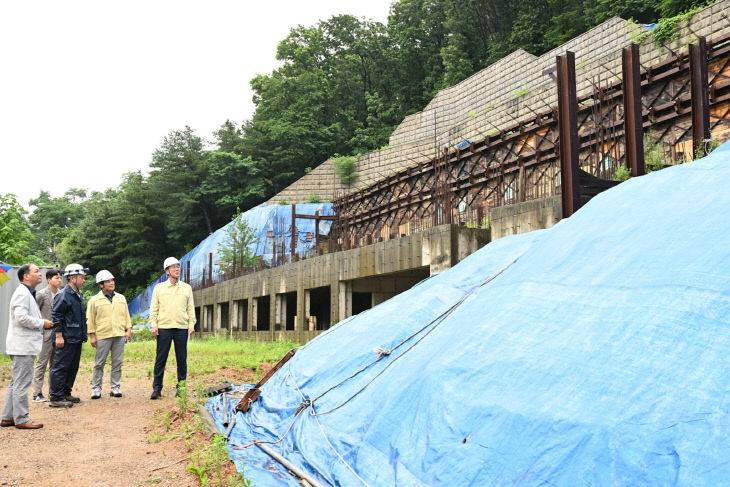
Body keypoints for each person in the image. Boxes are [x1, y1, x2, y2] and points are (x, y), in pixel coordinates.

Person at [1, 264, 54, 429]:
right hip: (22, 346)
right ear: (25, 276)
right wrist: (42, 323)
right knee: (21, 383)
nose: (40, 274)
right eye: (36, 271)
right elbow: (21, 318)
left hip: (23, 345)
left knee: (16, 382)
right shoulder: (22, 294)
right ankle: (22, 419)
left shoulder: (28, 293)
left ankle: (8, 417)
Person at [149, 257, 196, 399]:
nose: (177, 269)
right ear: (167, 271)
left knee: (182, 359)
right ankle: (157, 388)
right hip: (164, 328)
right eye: (173, 267)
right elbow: (154, 309)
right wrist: (154, 325)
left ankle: (181, 388)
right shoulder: (159, 288)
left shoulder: (186, 288)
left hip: (181, 328)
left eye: (178, 267)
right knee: (160, 359)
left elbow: (190, 308)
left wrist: (191, 324)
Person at [86, 270, 131, 399]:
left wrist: (128, 329)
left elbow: (126, 315)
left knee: (117, 362)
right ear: (101, 285)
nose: (111, 283)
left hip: (118, 334)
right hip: (102, 335)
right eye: (108, 281)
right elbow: (90, 319)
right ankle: (96, 389)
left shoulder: (121, 298)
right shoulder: (94, 300)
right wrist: (92, 336)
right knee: (99, 363)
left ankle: (115, 387)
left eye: (112, 280)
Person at [49, 263, 88, 408]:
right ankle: (56, 397)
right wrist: (59, 336)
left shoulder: (77, 294)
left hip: (75, 337)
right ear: (72, 278)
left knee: (72, 367)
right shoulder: (63, 294)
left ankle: (65, 392)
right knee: (60, 367)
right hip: (65, 337)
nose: (83, 280)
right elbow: (57, 315)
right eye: (81, 277)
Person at [31, 268, 63, 403]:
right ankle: (36, 393)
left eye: (60, 278)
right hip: (45, 334)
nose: (60, 280)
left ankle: (53, 391)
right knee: (41, 363)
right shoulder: (41, 294)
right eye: (56, 278)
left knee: (55, 364)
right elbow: (33, 314)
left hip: (59, 333)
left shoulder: (62, 294)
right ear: (49, 280)